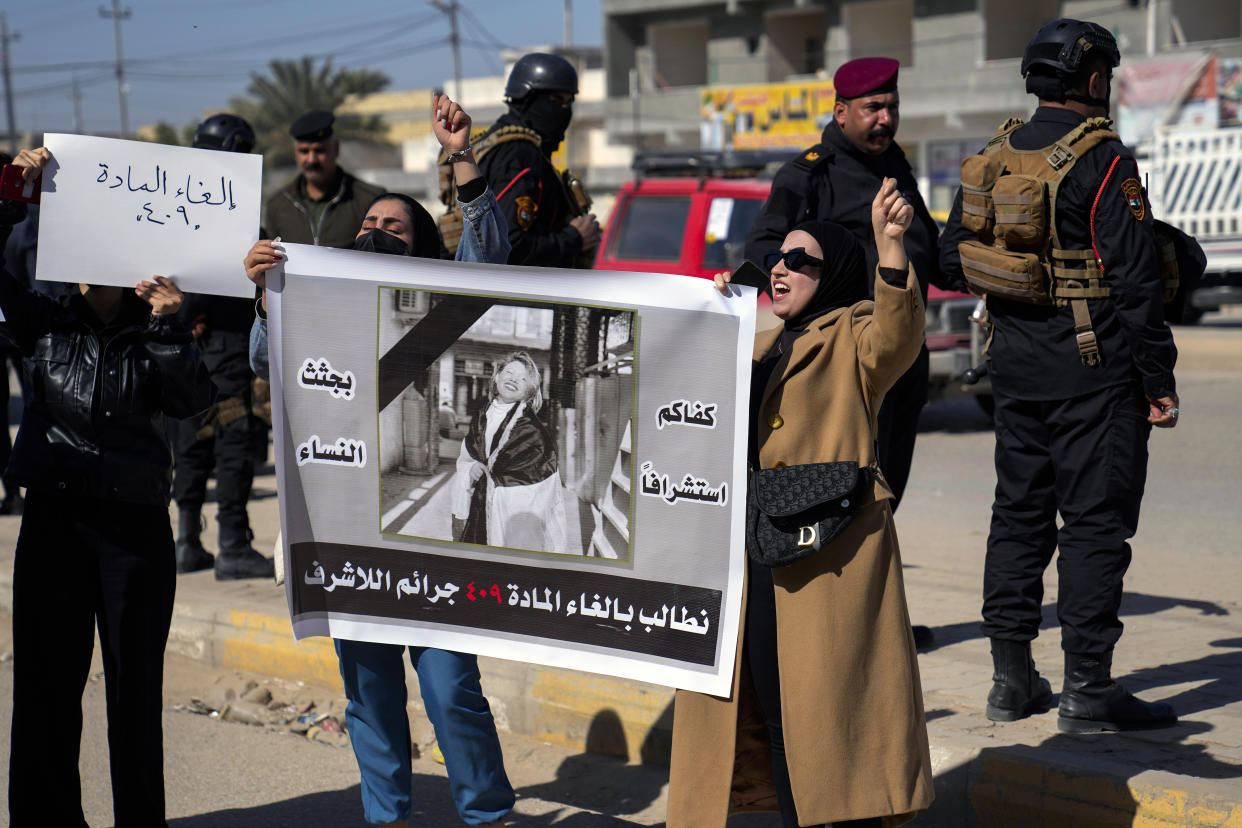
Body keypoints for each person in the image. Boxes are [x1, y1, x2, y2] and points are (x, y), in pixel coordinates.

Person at [247, 94, 515, 828]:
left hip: (429, 552)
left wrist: (462, 153)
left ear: (424, 246)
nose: (374, 231)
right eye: (367, 224)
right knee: (369, 696)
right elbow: (265, 359)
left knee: (450, 690)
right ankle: (385, 816)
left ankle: (486, 813)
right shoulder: (324, 303)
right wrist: (268, 298)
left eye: (393, 226)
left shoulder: (448, 299)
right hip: (347, 539)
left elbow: (487, 255)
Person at [938, 19, 1180, 733]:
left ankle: (1011, 682)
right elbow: (1136, 284)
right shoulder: (1103, 160)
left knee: (1016, 519)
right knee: (1094, 529)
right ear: (1094, 80)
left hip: (1012, 370)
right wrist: (1157, 379)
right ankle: (1087, 692)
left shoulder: (995, 155)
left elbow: (953, 259)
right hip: (1093, 375)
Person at [668, 179, 933, 828]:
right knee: (766, 704)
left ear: (836, 272)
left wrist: (891, 249)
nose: (782, 269)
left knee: (819, 712)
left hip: (830, 554)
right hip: (753, 547)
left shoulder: (856, 332)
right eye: (778, 260)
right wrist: (714, 314)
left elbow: (899, 336)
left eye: (802, 261)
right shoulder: (750, 333)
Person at [2, 147, 217, 827]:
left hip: (135, 534)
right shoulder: (42, 323)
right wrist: (14, 192)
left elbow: (191, 401)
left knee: (134, 698)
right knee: (45, 692)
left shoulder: (153, 330)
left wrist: (167, 324)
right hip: (56, 525)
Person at [746, 56, 945, 649]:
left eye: (892, 107)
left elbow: (927, 244)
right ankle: (829, 621)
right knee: (843, 493)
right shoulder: (809, 174)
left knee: (886, 494)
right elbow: (764, 246)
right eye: (872, 109)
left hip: (900, 357)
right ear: (840, 112)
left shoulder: (896, 167)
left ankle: (877, 619)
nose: (885, 118)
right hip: (846, 364)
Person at [172, 113, 275, 579]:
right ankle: (232, 544)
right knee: (233, 443)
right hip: (229, 355)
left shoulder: (181, 213)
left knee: (192, 443)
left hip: (191, 356)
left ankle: (187, 541)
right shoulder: (228, 221)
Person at [474, 51, 600, 267]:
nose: (564, 110)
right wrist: (574, 238)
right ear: (528, 99)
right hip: (513, 294)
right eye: (557, 100)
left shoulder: (496, 143)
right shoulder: (519, 155)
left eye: (570, 102)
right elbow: (508, 245)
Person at [450, 351, 568, 554]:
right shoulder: (482, 416)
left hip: (507, 522)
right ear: (496, 377)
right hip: (476, 510)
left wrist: (498, 486)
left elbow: (541, 487)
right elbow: (466, 457)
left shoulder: (532, 430)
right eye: (510, 372)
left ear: (529, 391)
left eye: (523, 378)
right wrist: (471, 469)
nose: (514, 379)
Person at [263, 109, 386, 248]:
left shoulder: (371, 200)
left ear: (336, 149)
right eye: (304, 151)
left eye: (319, 150)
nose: (312, 159)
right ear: (295, 154)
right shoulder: (278, 205)